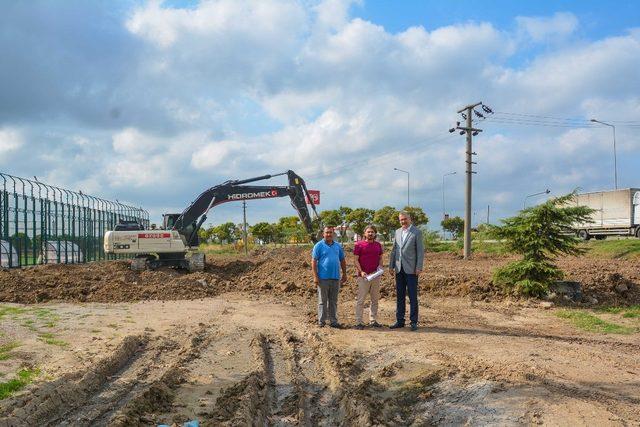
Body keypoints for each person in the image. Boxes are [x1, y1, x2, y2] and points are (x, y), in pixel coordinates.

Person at [388, 211, 424, 331]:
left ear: (410, 219)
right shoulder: (397, 232)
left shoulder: (417, 232)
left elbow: (420, 251)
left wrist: (419, 267)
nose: (403, 221)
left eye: (405, 219)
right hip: (399, 269)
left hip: (412, 269)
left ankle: (413, 321)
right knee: (400, 296)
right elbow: (394, 250)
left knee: (413, 296)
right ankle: (400, 320)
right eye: (401, 220)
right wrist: (391, 265)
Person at [312, 226, 347, 328]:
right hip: (323, 278)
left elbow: (342, 260)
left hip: (335, 278)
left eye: (330, 232)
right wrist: (315, 276)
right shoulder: (318, 246)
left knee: (333, 301)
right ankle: (321, 321)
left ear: (333, 234)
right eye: (327, 232)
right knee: (322, 301)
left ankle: (333, 321)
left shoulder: (338, 246)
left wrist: (344, 274)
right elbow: (314, 262)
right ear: (323, 234)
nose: (328, 234)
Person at [354, 225, 384, 329]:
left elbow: (380, 258)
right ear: (364, 233)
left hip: (375, 276)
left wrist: (380, 267)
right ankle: (359, 322)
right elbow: (355, 260)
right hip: (364, 276)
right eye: (368, 232)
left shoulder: (378, 245)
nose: (370, 234)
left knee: (375, 299)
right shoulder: (359, 245)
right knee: (361, 300)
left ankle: (373, 320)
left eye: (372, 232)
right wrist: (361, 271)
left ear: (375, 233)